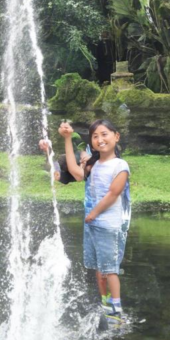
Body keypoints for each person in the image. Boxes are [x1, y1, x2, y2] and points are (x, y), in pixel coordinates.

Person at [44, 120, 130, 322]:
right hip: (92, 225)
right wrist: (66, 138)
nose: (100, 139)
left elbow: (113, 193)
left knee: (110, 269)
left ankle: (116, 311)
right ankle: (104, 304)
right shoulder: (93, 165)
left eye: (104, 134)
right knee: (99, 271)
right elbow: (73, 170)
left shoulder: (120, 165)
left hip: (108, 224)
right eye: (95, 136)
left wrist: (94, 213)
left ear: (116, 136)